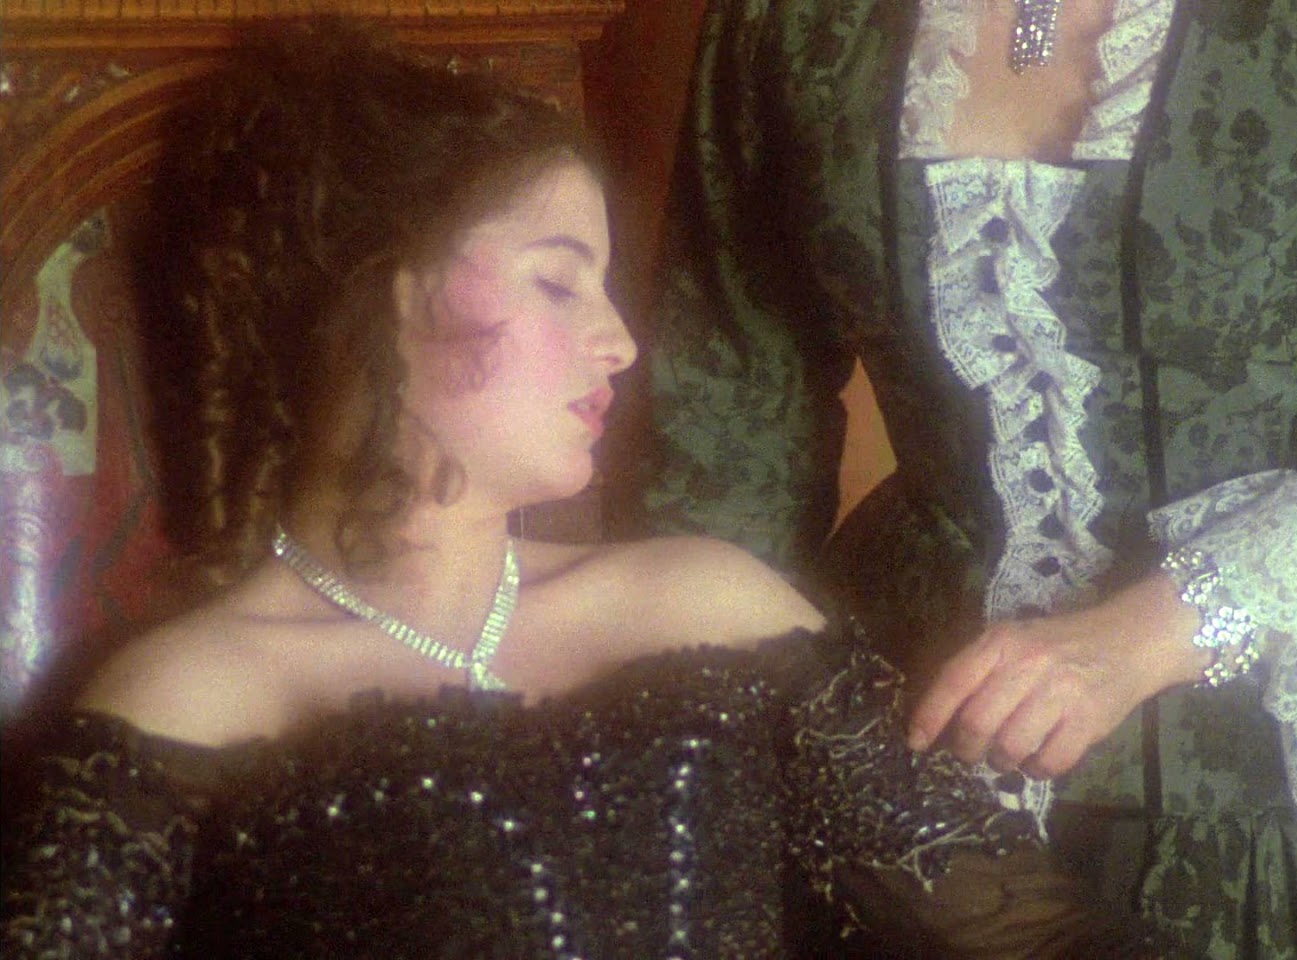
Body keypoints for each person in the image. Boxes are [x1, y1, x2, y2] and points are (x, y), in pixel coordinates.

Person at [0, 22, 1169, 959]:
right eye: (559, 284)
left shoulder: (711, 607)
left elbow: (1028, 935)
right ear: (380, 293)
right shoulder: (191, 697)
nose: (619, 342)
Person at [623, 0, 1297, 954]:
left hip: (1280, 784)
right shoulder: (788, 22)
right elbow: (722, 423)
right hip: (913, 771)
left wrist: (1144, 636)